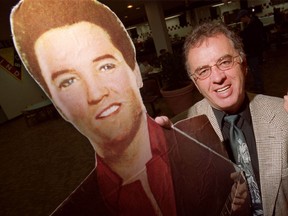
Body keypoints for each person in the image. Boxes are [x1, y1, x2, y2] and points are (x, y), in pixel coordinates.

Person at [10, 1, 246, 215]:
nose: (96, 93)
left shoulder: (197, 139)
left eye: (105, 66)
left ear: (134, 70)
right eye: (68, 82)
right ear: (59, 108)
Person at [157, 21, 288, 216]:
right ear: (195, 82)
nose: (217, 77)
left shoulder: (282, 114)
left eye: (225, 62)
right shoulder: (180, 134)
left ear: (243, 64)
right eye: (203, 71)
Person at [237, 9, 266, 93]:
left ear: (245, 17)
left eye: (241, 19)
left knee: (255, 69)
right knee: (254, 70)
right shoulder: (252, 24)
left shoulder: (254, 25)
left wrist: (241, 34)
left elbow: (252, 38)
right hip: (252, 52)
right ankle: (257, 85)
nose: (241, 21)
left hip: (254, 52)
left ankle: (259, 87)